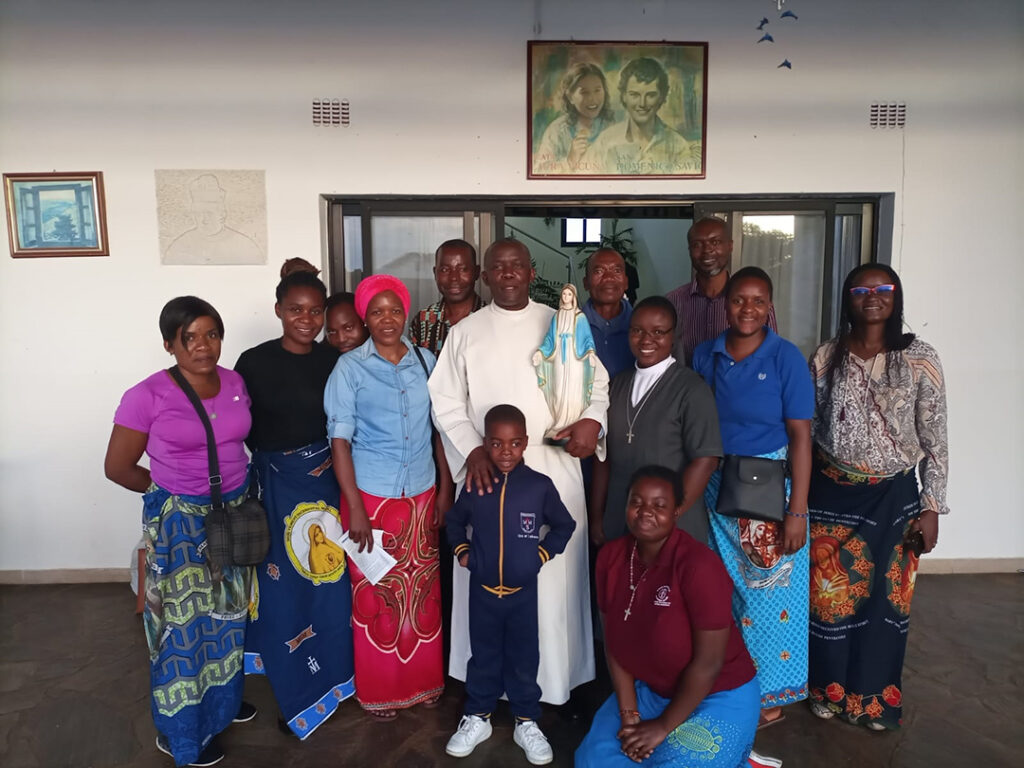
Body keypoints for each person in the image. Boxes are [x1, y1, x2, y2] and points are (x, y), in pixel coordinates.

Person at [428, 238, 609, 706]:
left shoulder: (562, 323)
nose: (508, 273)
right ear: (485, 278)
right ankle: (486, 693)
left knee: (552, 585)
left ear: (532, 273)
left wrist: (593, 420)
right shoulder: (465, 332)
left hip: (554, 469)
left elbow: (598, 384)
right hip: (487, 475)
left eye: (517, 265)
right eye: (498, 267)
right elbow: (445, 402)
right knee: (488, 582)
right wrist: (472, 452)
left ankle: (552, 686)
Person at [104, 296, 254, 767]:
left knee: (228, 616)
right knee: (182, 629)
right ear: (169, 344)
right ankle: (182, 732)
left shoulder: (234, 382)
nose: (203, 346)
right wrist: (169, 493)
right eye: (189, 337)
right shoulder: (147, 395)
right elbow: (118, 467)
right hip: (181, 527)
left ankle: (223, 704)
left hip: (233, 516)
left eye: (211, 334)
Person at [806, 264, 947, 731]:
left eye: (882, 288)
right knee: (829, 601)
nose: (872, 296)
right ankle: (827, 690)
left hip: (894, 498)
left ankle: (874, 703)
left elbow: (935, 439)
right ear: (847, 297)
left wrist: (932, 505)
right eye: (860, 289)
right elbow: (806, 431)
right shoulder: (826, 357)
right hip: (830, 496)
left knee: (886, 607)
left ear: (895, 296)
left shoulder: (920, 358)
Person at [576, 465, 780, 768]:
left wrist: (661, 727)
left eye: (659, 505)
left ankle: (740, 757)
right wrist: (630, 716)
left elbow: (709, 664)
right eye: (637, 502)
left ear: (676, 512)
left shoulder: (699, 566)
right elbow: (613, 643)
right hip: (653, 693)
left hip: (718, 694)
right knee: (592, 761)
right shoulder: (611, 557)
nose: (646, 512)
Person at [324, 274, 454, 719]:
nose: (387, 319)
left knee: (421, 592)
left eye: (394, 310)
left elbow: (440, 429)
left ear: (405, 312)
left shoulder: (426, 359)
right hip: (371, 498)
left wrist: (444, 488)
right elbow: (339, 442)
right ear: (365, 317)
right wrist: (355, 509)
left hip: (421, 494)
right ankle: (380, 690)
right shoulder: (350, 369)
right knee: (377, 593)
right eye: (376, 312)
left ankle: (423, 682)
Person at [234, 268, 356, 739]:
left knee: (329, 585)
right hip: (273, 491)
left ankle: (332, 682)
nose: (306, 319)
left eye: (315, 311)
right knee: (280, 594)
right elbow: (236, 426)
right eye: (295, 309)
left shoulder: (335, 360)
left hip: (327, 489)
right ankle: (292, 687)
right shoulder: (253, 361)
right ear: (279, 309)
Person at [692, 267, 814, 729]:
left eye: (758, 300)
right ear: (726, 305)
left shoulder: (786, 358)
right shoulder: (707, 354)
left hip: (768, 491)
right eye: (739, 299)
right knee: (722, 593)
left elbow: (801, 437)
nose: (748, 308)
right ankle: (730, 684)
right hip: (717, 485)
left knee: (767, 596)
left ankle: (768, 695)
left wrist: (796, 510)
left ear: (770, 307)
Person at [444, 405, 576, 765]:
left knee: (523, 659)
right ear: (485, 444)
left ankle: (527, 721)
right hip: (483, 593)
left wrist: (540, 557)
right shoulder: (475, 484)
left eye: (514, 444)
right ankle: (478, 717)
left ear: (526, 443)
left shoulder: (538, 486)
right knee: (483, 657)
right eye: (497, 444)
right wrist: (463, 553)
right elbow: (454, 523)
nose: (506, 452)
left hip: (522, 595)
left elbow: (564, 526)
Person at [590, 297, 721, 548]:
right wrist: (597, 516)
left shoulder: (691, 389)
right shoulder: (616, 384)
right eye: (637, 330)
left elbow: (706, 461)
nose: (646, 339)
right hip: (619, 519)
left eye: (658, 332)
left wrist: (671, 514)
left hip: (673, 526)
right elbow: (602, 457)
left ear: (674, 336)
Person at [666, 217, 778, 366]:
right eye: (697, 244)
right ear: (689, 251)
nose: (707, 250)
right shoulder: (673, 302)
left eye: (715, 242)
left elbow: (772, 355)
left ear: (730, 246)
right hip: (687, 387)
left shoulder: (755, 304)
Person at [589, 57, 701, 176]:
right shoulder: (605, 141)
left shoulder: (677, 146)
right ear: (624, 96)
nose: (642, 103)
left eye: (651, 95)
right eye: (634, 95)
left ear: (661, 97)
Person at [534, 62, 615, 174]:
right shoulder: (557, 131)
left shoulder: (612, 126)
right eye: (584, 93)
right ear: (570, 97)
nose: (593, 98)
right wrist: (570, 160)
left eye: (597, 90)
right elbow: (539, 171)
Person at [163, 173, 263, 265]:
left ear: (222, 214)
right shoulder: (179, 246)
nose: (203, 220)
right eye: (198, 214)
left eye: (209, 213)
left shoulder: (245, 246)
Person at [409, 239, 485, 356]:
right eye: (445, 270)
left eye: (463, 269)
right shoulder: (422, 320)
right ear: (435, 273)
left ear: (476, 272)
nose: (454, 278)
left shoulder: (492, 318)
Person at [581, 248, 635, 381]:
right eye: (599, 271)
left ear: (626, 282)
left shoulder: (641, 328)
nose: (608, 277)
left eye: (616, 271)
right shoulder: (570, 327)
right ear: (586, 283)